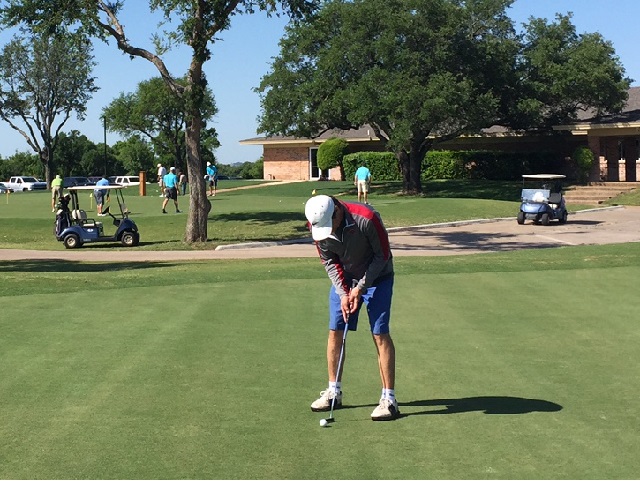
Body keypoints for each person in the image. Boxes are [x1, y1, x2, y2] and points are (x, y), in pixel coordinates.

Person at [304, 194, 399, 421]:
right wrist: (344, 292)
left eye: (331, 224)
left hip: (379, 278)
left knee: (379, 333)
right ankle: (333, 392)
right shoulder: (316, 222)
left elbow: (382, 254)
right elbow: (328, 260)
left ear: (337, 211)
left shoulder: (366, 218)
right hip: (346, 280)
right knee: (335, 330)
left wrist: (361, 288)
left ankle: (389, 399)